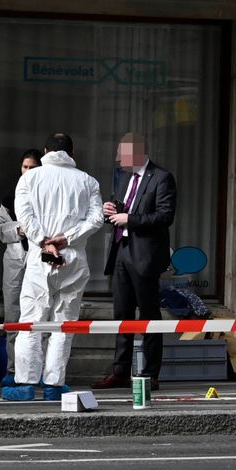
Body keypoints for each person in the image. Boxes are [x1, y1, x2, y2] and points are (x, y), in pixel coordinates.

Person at [8, 132, 104, 401]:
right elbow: (96, 220)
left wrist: (44, 242)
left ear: (46, 150)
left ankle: (25, 383)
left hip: (41, 257)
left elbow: (24, 217)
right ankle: (54, 384)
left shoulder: (29, 178)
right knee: (64, 323)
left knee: (31, 320)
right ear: (71, 154)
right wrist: (66, 239)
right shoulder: (88, 182)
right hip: (73, 259)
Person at [92, 133, 177, 390]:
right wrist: (111, 211)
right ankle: (119, 371)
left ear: (136, 153)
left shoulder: (162, 178)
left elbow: (164, 216)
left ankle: (151, 373)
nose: (117, 158)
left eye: (122, 153)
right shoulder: (124, 177)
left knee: (149, 315)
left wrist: (129, 219)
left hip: (145, 255)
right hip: (121, 250)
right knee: (122, 314)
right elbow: (122, 208)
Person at [0, 149, 43, 381]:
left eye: (32, 167)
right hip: (14, 260)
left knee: (40, 316)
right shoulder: (12, 195)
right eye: (25, 167)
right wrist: (17, 229)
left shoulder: (45, 194)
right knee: (13, 315)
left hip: (38, 260)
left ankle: (38, 370)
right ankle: (13, 369)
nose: (28, 171)